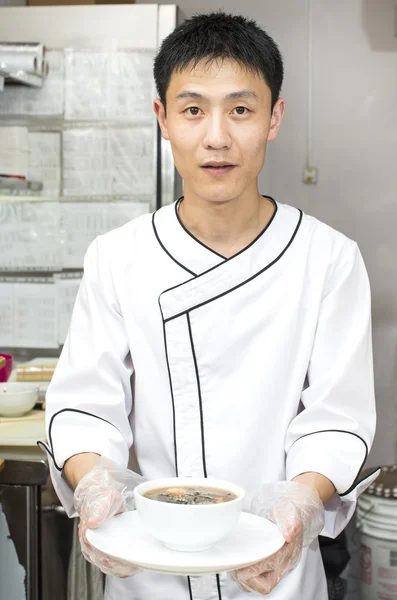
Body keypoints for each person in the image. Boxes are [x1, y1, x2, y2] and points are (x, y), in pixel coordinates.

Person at [40, 11, 379, 600]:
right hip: (147, 574)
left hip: (279, 573)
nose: (216, 136)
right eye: (193, 109)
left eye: (241, 109)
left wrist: (300, 502)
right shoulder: (118, 257)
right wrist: (94, 483)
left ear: (275, 118)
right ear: (162, 119)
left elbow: (337, 418)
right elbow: (86, 405)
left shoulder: (328, 260)